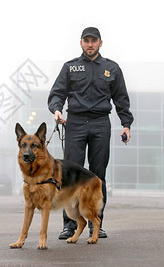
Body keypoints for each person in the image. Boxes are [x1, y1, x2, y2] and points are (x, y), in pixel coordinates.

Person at [47, 27, 134, 239]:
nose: (90, 44)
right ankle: (69, 225)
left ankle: (97, 224)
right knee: (70, 175)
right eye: (86, 41)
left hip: (100, 124)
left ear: (100, 43)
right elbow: (57, 93)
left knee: (98, 175)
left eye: (93, 41)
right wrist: (57, 110)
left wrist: (126, 124)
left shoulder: (111, 68)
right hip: (75, 123)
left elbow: (121, 98)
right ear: (81, 43)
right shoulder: (70, 67)